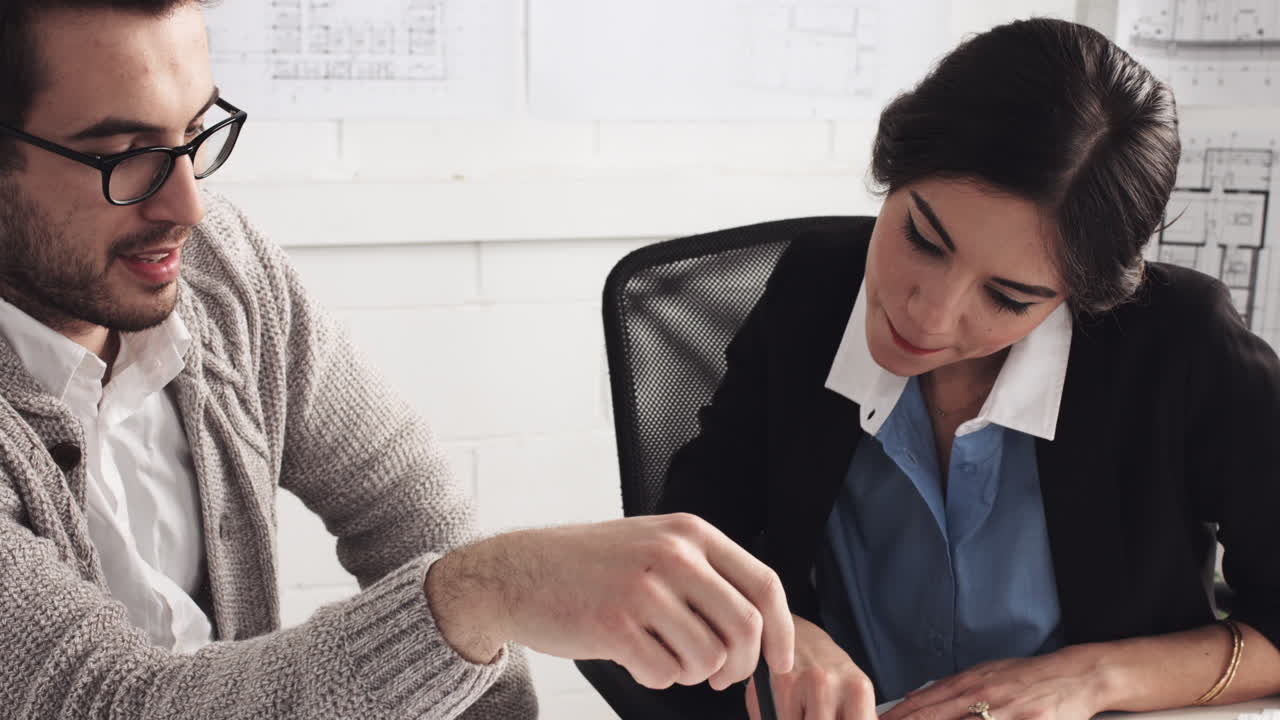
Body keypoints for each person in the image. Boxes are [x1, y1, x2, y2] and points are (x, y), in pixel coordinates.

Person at [0, 1, 797, 717]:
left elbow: (404, 502)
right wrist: (484, 595)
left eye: (195, 135)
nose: (189, 206)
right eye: (126, 155)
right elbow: (109, 698)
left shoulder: (224, 274)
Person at [645, 17, 1280, 720]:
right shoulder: (813, 290)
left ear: (1080, 296)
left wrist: (1098, 678)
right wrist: (787, 634)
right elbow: (691, 536)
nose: (931, 316)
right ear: (895, 166)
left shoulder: (1180, 344)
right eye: (922, 238)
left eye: (1008, 297)